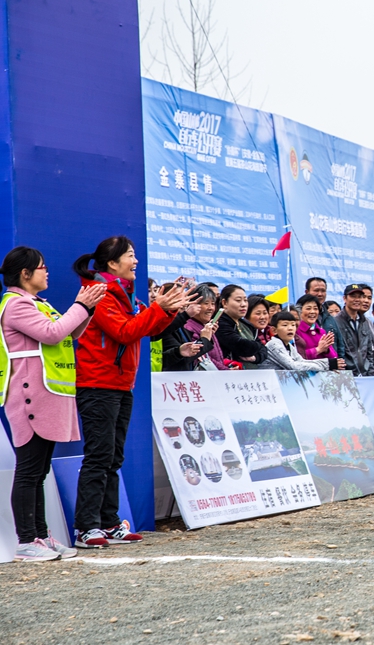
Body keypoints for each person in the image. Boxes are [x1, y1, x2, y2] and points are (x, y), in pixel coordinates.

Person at [72, 236, 188, 548]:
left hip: (120, 384)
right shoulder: (102, 294)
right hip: (98, 384)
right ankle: (86, 527)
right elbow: (125, 332)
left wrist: (172, 312)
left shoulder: (125, 293)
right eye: (130, 255)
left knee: (113, 456)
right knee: (99, 456)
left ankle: (109, 523)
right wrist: (158, 308)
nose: (135, 261)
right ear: (112, 263)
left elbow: (146, 328)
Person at [0, 247, 106, 560]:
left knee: (40, 469)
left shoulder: (36, 303)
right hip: (28, 393)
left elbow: (67, 332)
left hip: (45, 393)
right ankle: (26, 540)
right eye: (42, 268)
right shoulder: (16, 305)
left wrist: (87, 309)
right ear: (25, 274)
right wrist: (79, 305)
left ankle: (41, 535)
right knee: (30, 469)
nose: (47, 272)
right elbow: (51, 333)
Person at [159, 283, 220, 371]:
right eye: (178, 298)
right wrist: (205, 339)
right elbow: (185, 356)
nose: (184, 302)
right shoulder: (164, 325)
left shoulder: (181, 324)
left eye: (185, 297)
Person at [260, 311, 340, 372]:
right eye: (285, 325)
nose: (290, 328)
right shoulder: (274, 344)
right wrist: (326, 366)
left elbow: (302, 362)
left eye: (293, 325)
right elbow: (293, 366)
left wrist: (329, 363)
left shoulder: (289, 346)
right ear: (274, 330)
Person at [216, 285, 268, 369]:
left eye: (245, 300)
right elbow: (242, 346)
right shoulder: (219, 323)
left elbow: (264, 350)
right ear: (224, 303)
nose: (243, 304)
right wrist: (257, 345)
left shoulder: (247, 325)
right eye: (238, 300)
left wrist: (255, 358)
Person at [334, 283, 374, 376]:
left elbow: (369, 352)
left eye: (360, 296)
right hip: (346, 377)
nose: (357, 300)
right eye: (353, 296)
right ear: (345, 298)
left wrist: (370, 373)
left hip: (365, 376)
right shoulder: (335, 321)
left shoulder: (364, 321)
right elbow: (335, 353)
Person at [292, 294, 345, 370]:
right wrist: (318, 350)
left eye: (315, 309)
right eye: (308, 308)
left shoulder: (321, 332)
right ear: (299, 311)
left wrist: (326, 350)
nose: (313, 312)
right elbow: (295, 358)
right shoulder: (295, 331)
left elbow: (334, 358)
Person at [305, 277, 345, 359]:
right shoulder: (301, 316)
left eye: (323, 291)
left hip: (331, 366)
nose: (320, 294)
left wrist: (339, 363)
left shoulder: (330, 317)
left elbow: (340, 344)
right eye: (316, 290)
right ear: (307, 292)